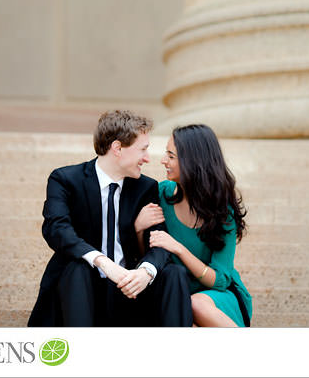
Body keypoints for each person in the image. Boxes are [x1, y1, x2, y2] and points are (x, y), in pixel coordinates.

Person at [28, 109, 192, 327]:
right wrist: (103, 262)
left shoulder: (146, 187)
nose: (147, 158)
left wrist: (145, 272)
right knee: (78, 268)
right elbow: (56, 230)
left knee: (174, 273)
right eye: (143, 149)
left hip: (130, 290)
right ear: (118, 148)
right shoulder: (66, 180)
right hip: (82, 289)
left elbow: (160, 243)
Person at [136, 123, 252, 326]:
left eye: (171, 156)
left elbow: (221, 280)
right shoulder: (162, 194)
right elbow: (145, 255)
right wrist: (138, 228)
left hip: (216, 299)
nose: (163, 161)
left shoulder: (223, 211)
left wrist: (179, 249)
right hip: (174, 293)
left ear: (193, 161)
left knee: (195, 304)